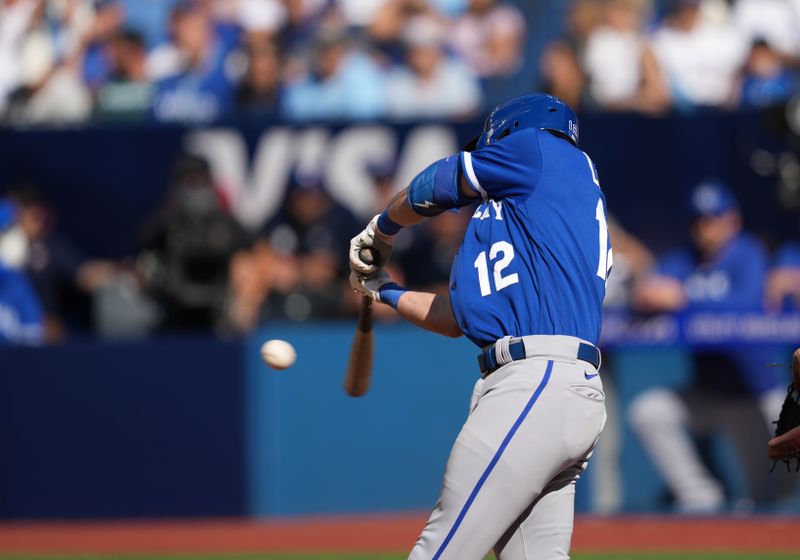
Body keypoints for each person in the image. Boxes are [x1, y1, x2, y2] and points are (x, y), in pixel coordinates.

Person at [349, 93, 611, 559]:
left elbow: (438, 182)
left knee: (440, 551)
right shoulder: (532, 216)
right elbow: (456, 319)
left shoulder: (539, 147)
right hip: (553, 384)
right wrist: (382, 288)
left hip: (536, 382)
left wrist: (380, 230)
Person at [630, 179, 786, 512]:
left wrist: (684, 299)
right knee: (650, 412)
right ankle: (700, 496)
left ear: (732, 220)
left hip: (756, 396)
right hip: (708, 392)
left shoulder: (748, 254)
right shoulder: (685, 259)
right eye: (698, 220)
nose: (705, 227)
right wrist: (646, 293)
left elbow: (748, 305)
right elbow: (651, 287)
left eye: (713, 218)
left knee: (762, 503)